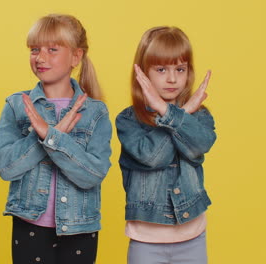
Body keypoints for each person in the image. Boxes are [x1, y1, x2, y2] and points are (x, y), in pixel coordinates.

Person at [0, 14, 112, 264]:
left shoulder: (95, 112)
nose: (40, 57)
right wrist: (41, 139)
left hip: (80, 227)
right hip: (30, 224)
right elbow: (6, 167)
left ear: (76, 57)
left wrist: (51, 136)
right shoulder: (17, 105)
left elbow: (93, 174)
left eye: (52, 49)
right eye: (34, 49)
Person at [116, 26, 216, 264]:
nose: (172, 79)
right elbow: (153, 157)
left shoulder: (199, 116)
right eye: (161, 69)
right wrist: (177, 113)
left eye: (180, 69)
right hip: (146, 239)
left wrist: (173, 113)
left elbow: (199, 146)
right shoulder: (128, 120)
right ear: (143, 72)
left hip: (192, 235)